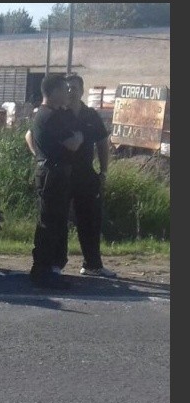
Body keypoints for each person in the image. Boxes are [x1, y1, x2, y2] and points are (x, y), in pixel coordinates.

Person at [26, 74, 84, 289]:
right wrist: (79, 137)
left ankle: (50, 268)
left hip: (52, 172)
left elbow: (30, 137)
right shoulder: (50, 116)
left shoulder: (47, 114)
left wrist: (40, 156)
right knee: (49, 223)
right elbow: (72, 144)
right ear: (54, 92)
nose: (67, 94)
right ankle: (42, 270)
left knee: (56, 222)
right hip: (53, 174)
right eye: (64, 90)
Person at [64, 74, 117, 277]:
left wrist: (103, 171)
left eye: (75, 88)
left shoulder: (90, 115)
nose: (71, 91)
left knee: (90, 220)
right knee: (58, 220)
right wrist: (39, 157)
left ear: (82, 91)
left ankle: (92, 265)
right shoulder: (58, 113)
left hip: (85, 174)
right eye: (68, 88)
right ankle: (53, 265)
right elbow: (31, 135)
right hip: (62, 174)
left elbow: (102, 143)